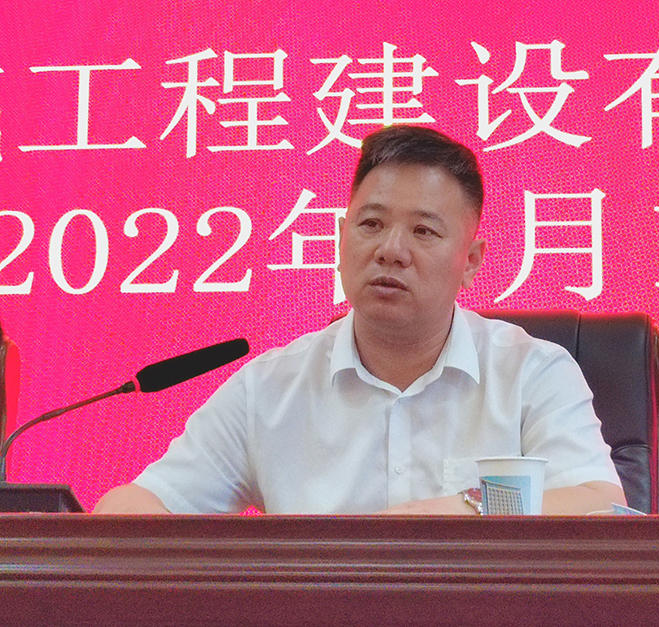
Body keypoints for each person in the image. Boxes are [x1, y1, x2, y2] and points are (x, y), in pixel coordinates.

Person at [94, 125, 624, 515]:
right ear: (342, 238)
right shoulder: (269, 389)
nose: (390, 250)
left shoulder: (532, 372)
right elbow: (146, 502)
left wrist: (458, 508)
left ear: (471, 261)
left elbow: (598, 502)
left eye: (423, 231)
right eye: (371, 224)